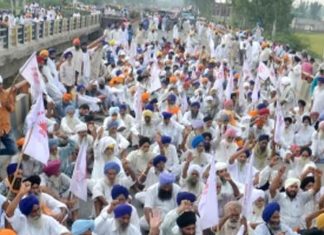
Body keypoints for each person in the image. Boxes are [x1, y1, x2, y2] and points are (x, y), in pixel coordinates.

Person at [5, 181, 71, 235]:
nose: (38, 213)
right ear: (27, 213)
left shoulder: (47, 220)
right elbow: (9, 212)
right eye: (34, 211)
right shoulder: (21, 221)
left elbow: (63, 231)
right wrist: (21, 194)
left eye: (38, 209)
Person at [0, 75, 18, 156]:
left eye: (0, 84)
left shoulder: (7, 94)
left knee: (13, 150)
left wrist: (8, 105)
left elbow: (12, 109)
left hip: (6, 129)